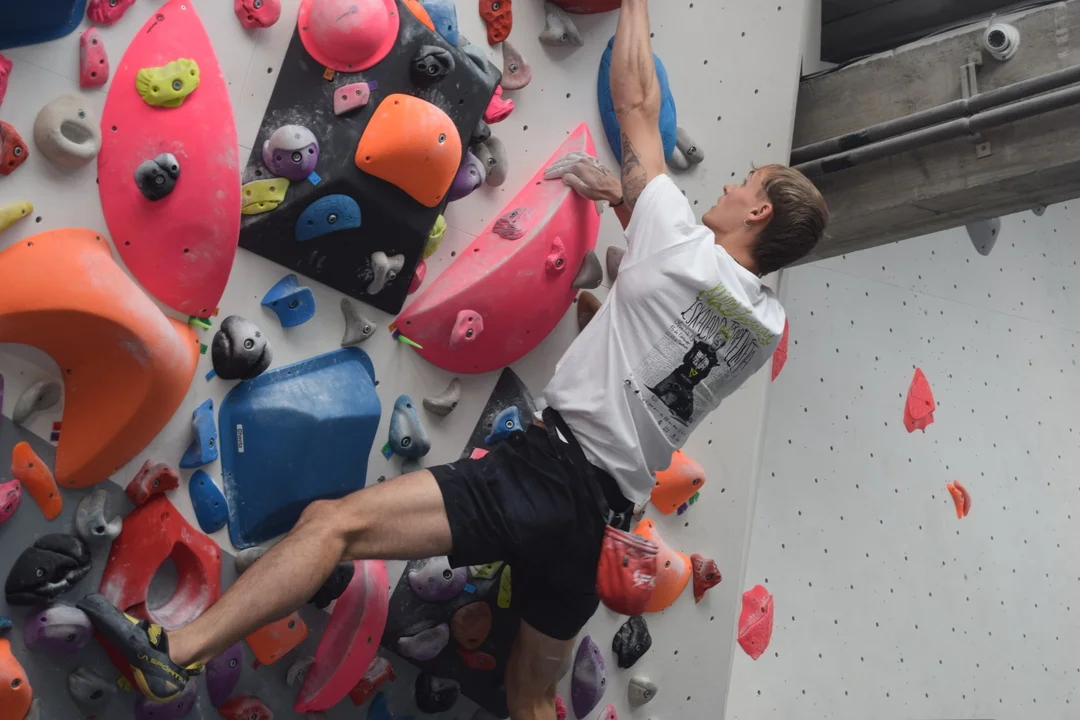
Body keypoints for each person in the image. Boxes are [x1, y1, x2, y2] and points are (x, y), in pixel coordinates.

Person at [77, 1, 829, 717]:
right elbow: (676, 306)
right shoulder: (763, 326)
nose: (729, 185)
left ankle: (179, 650)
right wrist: (626, 202)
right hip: (601, 524)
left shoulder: (683, 248)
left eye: (745, 185)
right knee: (529, 700)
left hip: (545, 473)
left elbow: (635, 101)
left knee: (333, 527)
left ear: (759, 212)